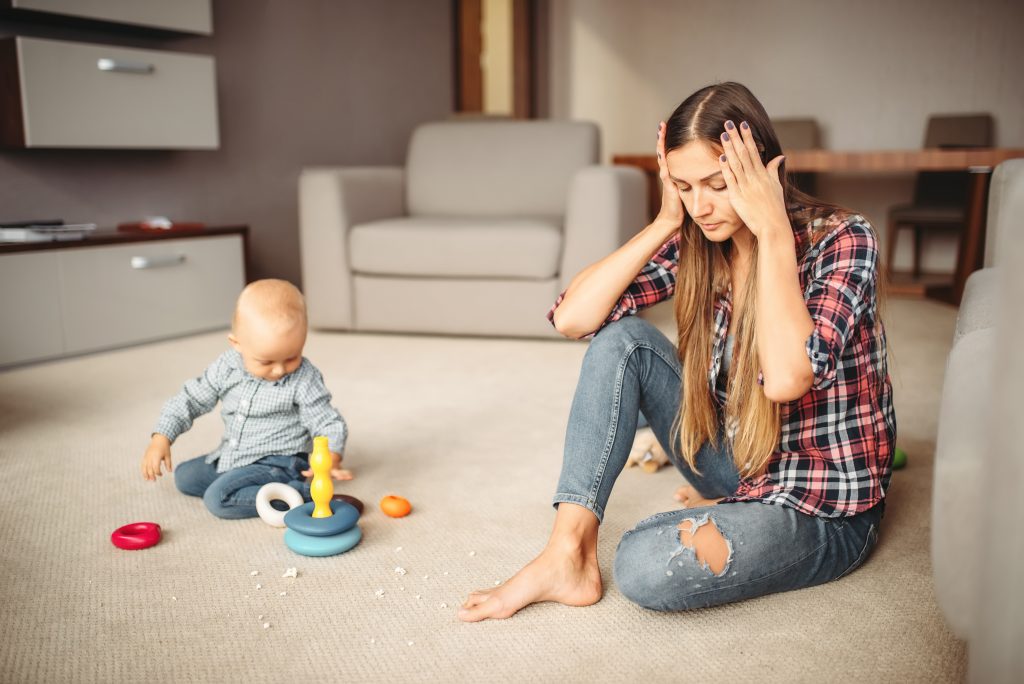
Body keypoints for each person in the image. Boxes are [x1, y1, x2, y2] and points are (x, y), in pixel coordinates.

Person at [458, 82, 895, 620]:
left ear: (763, 175)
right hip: (739, 463)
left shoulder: (845, 239)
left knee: (643, 565)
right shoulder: (702, 237)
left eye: (717, 184)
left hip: (821, 506)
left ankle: (734, 512)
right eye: (686, 187)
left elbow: (785, 380)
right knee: (622, 341)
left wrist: (773, 230)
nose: (701, 206)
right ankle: (565, 552)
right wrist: (665, 220)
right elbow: (574, 318)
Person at [141, 279, 351, 519]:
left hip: (281, 463)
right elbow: (191, 399)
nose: (280, 370)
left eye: (292, 357)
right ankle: (253, 486)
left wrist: (330, 458)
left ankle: (300, 493)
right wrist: (161, 437)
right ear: (237, 344)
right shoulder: (226, 367)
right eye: (266, 361)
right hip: (235, 455)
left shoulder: (304, 378)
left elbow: (327, 422)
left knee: (218, 499)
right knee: (185, 477)